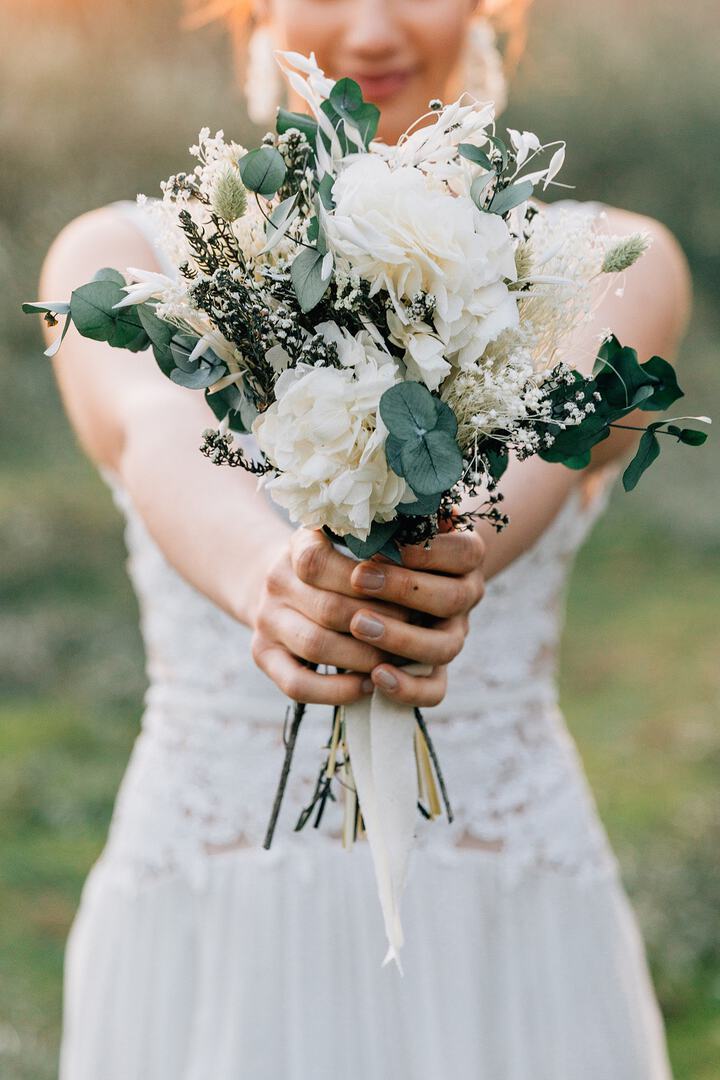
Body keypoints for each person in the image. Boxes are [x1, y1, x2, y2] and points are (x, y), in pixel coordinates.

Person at [39, 2, 691, 1077]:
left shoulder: (609, 262)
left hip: (495, 898)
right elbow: (158, 430)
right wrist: (271, 585)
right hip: (213, 895)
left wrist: (451, 565)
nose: (373, 24)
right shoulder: (122, 256)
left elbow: (540, 456)